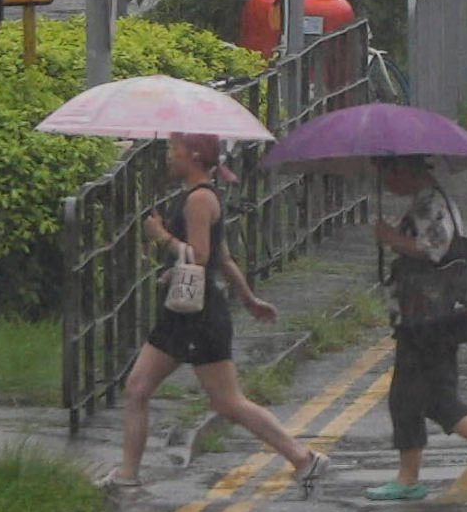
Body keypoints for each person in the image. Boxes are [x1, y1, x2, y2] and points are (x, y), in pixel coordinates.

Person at [116, 132, 329, 493]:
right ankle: (127, 476)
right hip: (182, 312)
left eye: (174, 149)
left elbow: (199, 256)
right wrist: (248, 298)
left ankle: (303, 458)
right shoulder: (202, 195)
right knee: (137, 387)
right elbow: (223, 258)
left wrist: (160, 236)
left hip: (198, 317)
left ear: (195, 155)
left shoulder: (199, 200)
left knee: (228, 402)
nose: (170, 156)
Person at [366, 159, 467, 501]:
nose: (387, 185)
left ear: (403, 171)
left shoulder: (430, 204)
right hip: (430, 318)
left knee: (414, 398)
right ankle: (417, 475)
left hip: (427, 318)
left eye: (388, 176)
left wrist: (393, 239)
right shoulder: (428, 201)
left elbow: (434, 250)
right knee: (428, 397)